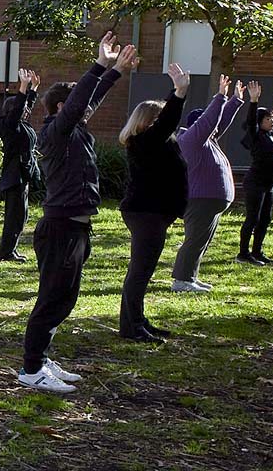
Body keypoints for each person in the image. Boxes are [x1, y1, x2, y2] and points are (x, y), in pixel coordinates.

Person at [18, 32, 137, 394]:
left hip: (77, 228)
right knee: (52, 299)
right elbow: (80, 102)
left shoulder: (75, 132)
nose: (85, 110)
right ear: (59, 109)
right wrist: (100, 64)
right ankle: (31, 368)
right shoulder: (54, 133)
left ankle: (41, 357)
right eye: (74, 106)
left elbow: (89, 101)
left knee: (64, 299)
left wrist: (115, 71)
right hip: (60, 228)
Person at [117, 63, 191, 343]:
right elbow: (167, 121)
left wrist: (175, 92)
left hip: (152, 213)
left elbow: (166, 123)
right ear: (150, 121)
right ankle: (131, 327)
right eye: (158, 119)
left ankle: (137, 321)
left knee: (141, 271)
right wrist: (179, 93)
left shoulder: (152, 142)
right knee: (140, 272)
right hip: (145, 213)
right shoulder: (145, 141)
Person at [170, 75, 245, 292]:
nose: (214, 129)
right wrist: (220, 96)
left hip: (209, 201)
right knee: (194, 241)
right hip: (200, 199)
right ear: (198, 125)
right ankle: (181, 280)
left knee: (201, 241)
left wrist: (235, 102)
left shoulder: (207, 141)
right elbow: (211, 120)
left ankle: (190, 277)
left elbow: (219, 122)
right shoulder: (191, 139)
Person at [238, 82, 273, 265]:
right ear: (259, 122)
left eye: (271, 119)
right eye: (267, 119)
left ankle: (257, 252)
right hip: (255, 183)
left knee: (265, 219)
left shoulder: (271, 133)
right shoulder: (256, 136)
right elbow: (252, 120)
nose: (271, 121)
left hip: (269, 185)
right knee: (252, 218)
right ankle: (243, 254)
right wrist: (253, 101)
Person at [0, 68, 41, 261]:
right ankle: (6, 253)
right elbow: (19, 108)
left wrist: (34, 88)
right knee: (14, 218)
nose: (27, 111)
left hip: (23, 175)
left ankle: (11, 249)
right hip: (14, 176)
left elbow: (26, 106)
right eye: (23, 110)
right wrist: (22, 87)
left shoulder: (23, 126)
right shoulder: (10, 126)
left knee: (22, 216)